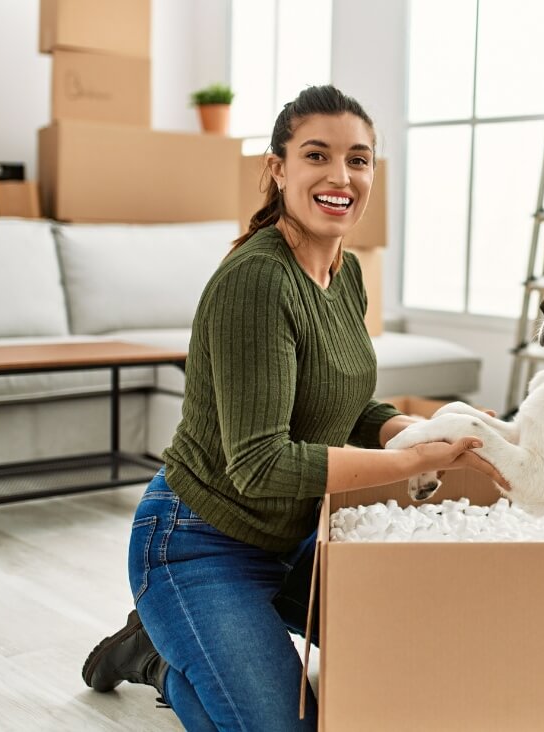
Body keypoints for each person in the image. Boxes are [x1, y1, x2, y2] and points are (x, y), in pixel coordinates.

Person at [80, 85, 502, 731]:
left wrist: (419, 427)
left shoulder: (346, 272)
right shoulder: (258, 281)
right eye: (318, 156)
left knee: (412, 649)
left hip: (293, 538)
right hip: (197, 541)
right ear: (278, 169)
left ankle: (194, 642)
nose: (341, 177)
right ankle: (160, 657)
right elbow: (259, 464)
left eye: (358, 160)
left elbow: (347, 403)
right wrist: (408, 460)